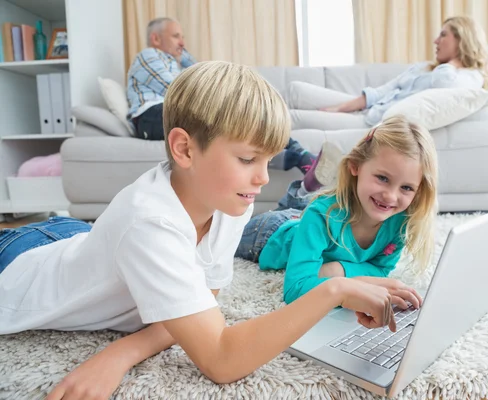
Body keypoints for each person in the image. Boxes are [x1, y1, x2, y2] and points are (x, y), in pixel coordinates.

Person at [0, 61, 400, 400]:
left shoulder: (228, 199)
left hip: (74, 236)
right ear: (185, 149)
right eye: (247, 158)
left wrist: (123, 350)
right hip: (18, 261)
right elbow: (222, 361)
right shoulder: (150, 224)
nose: (262, 178)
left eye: (268, 160)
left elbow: (209, 294)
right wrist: (334, 289)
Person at [236, 115, 438, 311]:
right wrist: (352, 285)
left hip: (307, 220)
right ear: (355, 166)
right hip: (267, 234)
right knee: (227, 233)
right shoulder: (321, 215)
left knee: (306, 209)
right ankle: (304, 185)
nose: (391, 197)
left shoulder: (399, 221)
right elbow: (295, 290)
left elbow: (381, 270)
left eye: (407, 188)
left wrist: (337, 270)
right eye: (383, 178)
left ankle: (306, 186)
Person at [127, 17, 315, 172]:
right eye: (176, 36)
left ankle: (295, 155)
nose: (182, 42)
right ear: (156, 39)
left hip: (174, 110)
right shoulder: (148, 55)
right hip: (152, 115)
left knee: (243, 117)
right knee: (228, 117)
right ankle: (297, 158)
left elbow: (203, 70)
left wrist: (181, 53)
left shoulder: (176, 61)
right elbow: (175, 90)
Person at [289, 16, 488, 130]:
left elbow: (446, 87)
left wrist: (454, 61)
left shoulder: (469, 77)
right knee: (296, 90)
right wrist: (340, 108)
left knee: (293, 117)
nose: (436, 41)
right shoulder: (424, 67)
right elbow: (384, 90)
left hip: (371, 120)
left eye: (443, 35)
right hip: (369, 108)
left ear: (462, 39)